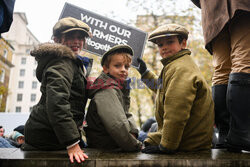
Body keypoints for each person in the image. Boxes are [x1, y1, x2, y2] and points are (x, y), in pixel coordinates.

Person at [22, 17, 91, 163]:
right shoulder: (62, 62)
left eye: (80, 37)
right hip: (48, 137)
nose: (77, 41)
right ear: (57, 39)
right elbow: (57, 104)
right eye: (71, 36)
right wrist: (72, 143)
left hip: (52, 134)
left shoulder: (71, 62)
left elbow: (74, 96)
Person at [137, 24, 214, 154]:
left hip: (188, 144)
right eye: (160, 45)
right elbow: (163, 89)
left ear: (183, 43)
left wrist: (166, 146)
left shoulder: (181, 69)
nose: (164, 47)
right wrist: (145, 73)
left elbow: (176, 112)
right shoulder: (176, 64)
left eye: (170, 42)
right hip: (188, 139)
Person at [191, 0, 250, 152]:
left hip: (213, 10)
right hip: (242, 5)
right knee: (244, 60)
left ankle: (225, 134)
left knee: (222, 70)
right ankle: (241, 132)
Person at [85, 44, 142, 151]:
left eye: (126, 66)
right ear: (106, 69)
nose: (123, 70)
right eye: (117, 66)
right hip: (106, 146)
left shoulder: (118, 88)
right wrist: (136, 145)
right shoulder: (107, 89)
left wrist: (134, 131)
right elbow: (117, 126)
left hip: (113, 142)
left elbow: (126, 113)